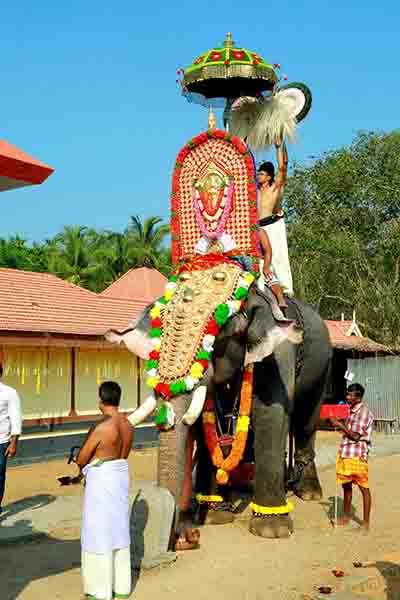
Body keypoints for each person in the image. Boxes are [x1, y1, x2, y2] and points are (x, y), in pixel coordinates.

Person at [76, 381, 133, 600]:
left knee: (98, 531)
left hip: (102, 480)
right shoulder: (128, 425)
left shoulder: (103, 427)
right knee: (118, 529)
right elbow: (124, 454)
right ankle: (121, 587)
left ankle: (100, 591)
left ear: (101, 400)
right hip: (119, 476)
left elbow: (82, 458)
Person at [330, 383, 373, 532]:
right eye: (347, 394)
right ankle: (346, 517)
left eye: (350, 395)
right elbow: (346, 432)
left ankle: (366, 523)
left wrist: (340, 425)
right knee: (346, 486)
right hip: (345, 452)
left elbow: (355, 436)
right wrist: (336, 423)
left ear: (358, 397)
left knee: (363, 488)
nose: (347, 397)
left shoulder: (364, 413)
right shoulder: (349, 410)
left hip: (357, 454)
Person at [257, 138, 293, 303]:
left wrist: (278, 147)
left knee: (277, 258)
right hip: (258, 229)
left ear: (269, 176)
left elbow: (283, 167)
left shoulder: (275, 188)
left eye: (262, 174)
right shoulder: (254, 191)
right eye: (259, 173)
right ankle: (260, 288)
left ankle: (285, 291)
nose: (259, 176)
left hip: (272, 226)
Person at [0, 359, 22, 517]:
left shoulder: (9, 393)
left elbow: (16, 418)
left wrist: (14, 443)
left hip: (1, 441)